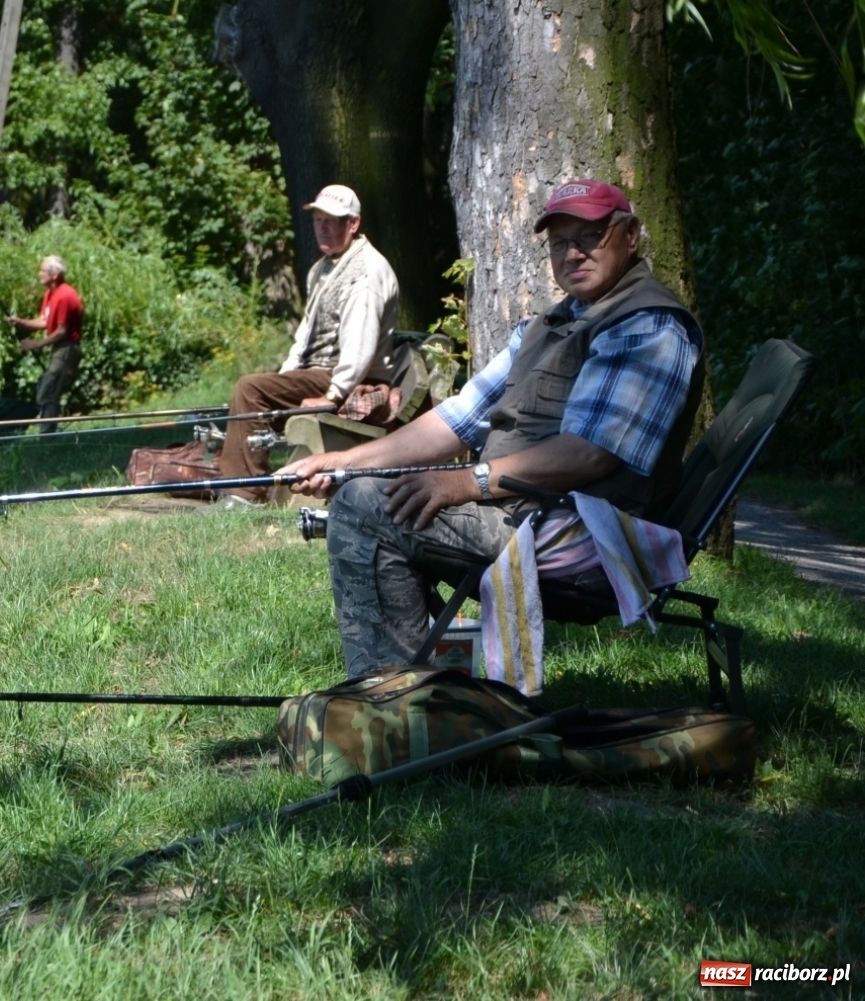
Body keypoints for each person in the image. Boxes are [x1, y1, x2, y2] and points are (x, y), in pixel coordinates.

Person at [278, 179, 704, 677]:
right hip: (527, 509)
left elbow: (590, 455)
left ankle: (391, 701)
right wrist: (344, 462)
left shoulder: (649, 325)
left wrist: (465, 482)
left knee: (370, 508)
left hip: (584, 532)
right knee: (367, 491)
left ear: (630, 235)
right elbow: (457, 420)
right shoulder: (547, 326)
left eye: (590, 236)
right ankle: (422, 695)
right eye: (560, 242)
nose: (573, 253)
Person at [218, 184, 400, 504]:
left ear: (353, 224)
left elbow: (359, 350)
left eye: (332, 220)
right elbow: (305, 335)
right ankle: (237, 483)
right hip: (319, 372)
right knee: (256, 392)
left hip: (345, 378)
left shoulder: (366, 272)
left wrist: (332, 397)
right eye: (318, 219)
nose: (323, 227)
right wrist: (286, 377)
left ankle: (244, 495)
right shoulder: (323, 268)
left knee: (249, 389)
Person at [5, 255, 84, 432]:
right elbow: (44, 321)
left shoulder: (65, 296)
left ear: (54, 274)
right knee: (46, 389)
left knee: (48, 391)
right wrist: (21, 322)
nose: (39, 274)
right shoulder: (50, 294)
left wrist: (37, 344)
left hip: (67, 349)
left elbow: (62, 332)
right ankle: (46, 433)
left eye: (42, 270)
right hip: (59, 348)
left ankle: (47, 436)